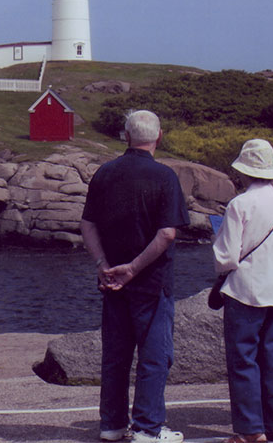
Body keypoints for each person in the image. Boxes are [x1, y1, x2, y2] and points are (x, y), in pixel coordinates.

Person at [80, 110, 190, 443]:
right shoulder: (165, 176)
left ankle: (112, 424)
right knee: (154, 357)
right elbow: (167, 233)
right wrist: (133, 268)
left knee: (116, 356)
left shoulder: (104, 173)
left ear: (126, 136)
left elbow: (87, 224)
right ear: (159, 136)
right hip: (150, 282)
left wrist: (103, 263)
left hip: (111, 280)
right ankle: (147, 427)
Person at [213, 139, 273, 443]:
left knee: (243, 360)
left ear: (244, 171)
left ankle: (251, 430)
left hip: (244, 291)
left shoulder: (239, 204)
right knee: (271, 357)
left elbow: (226, 258)